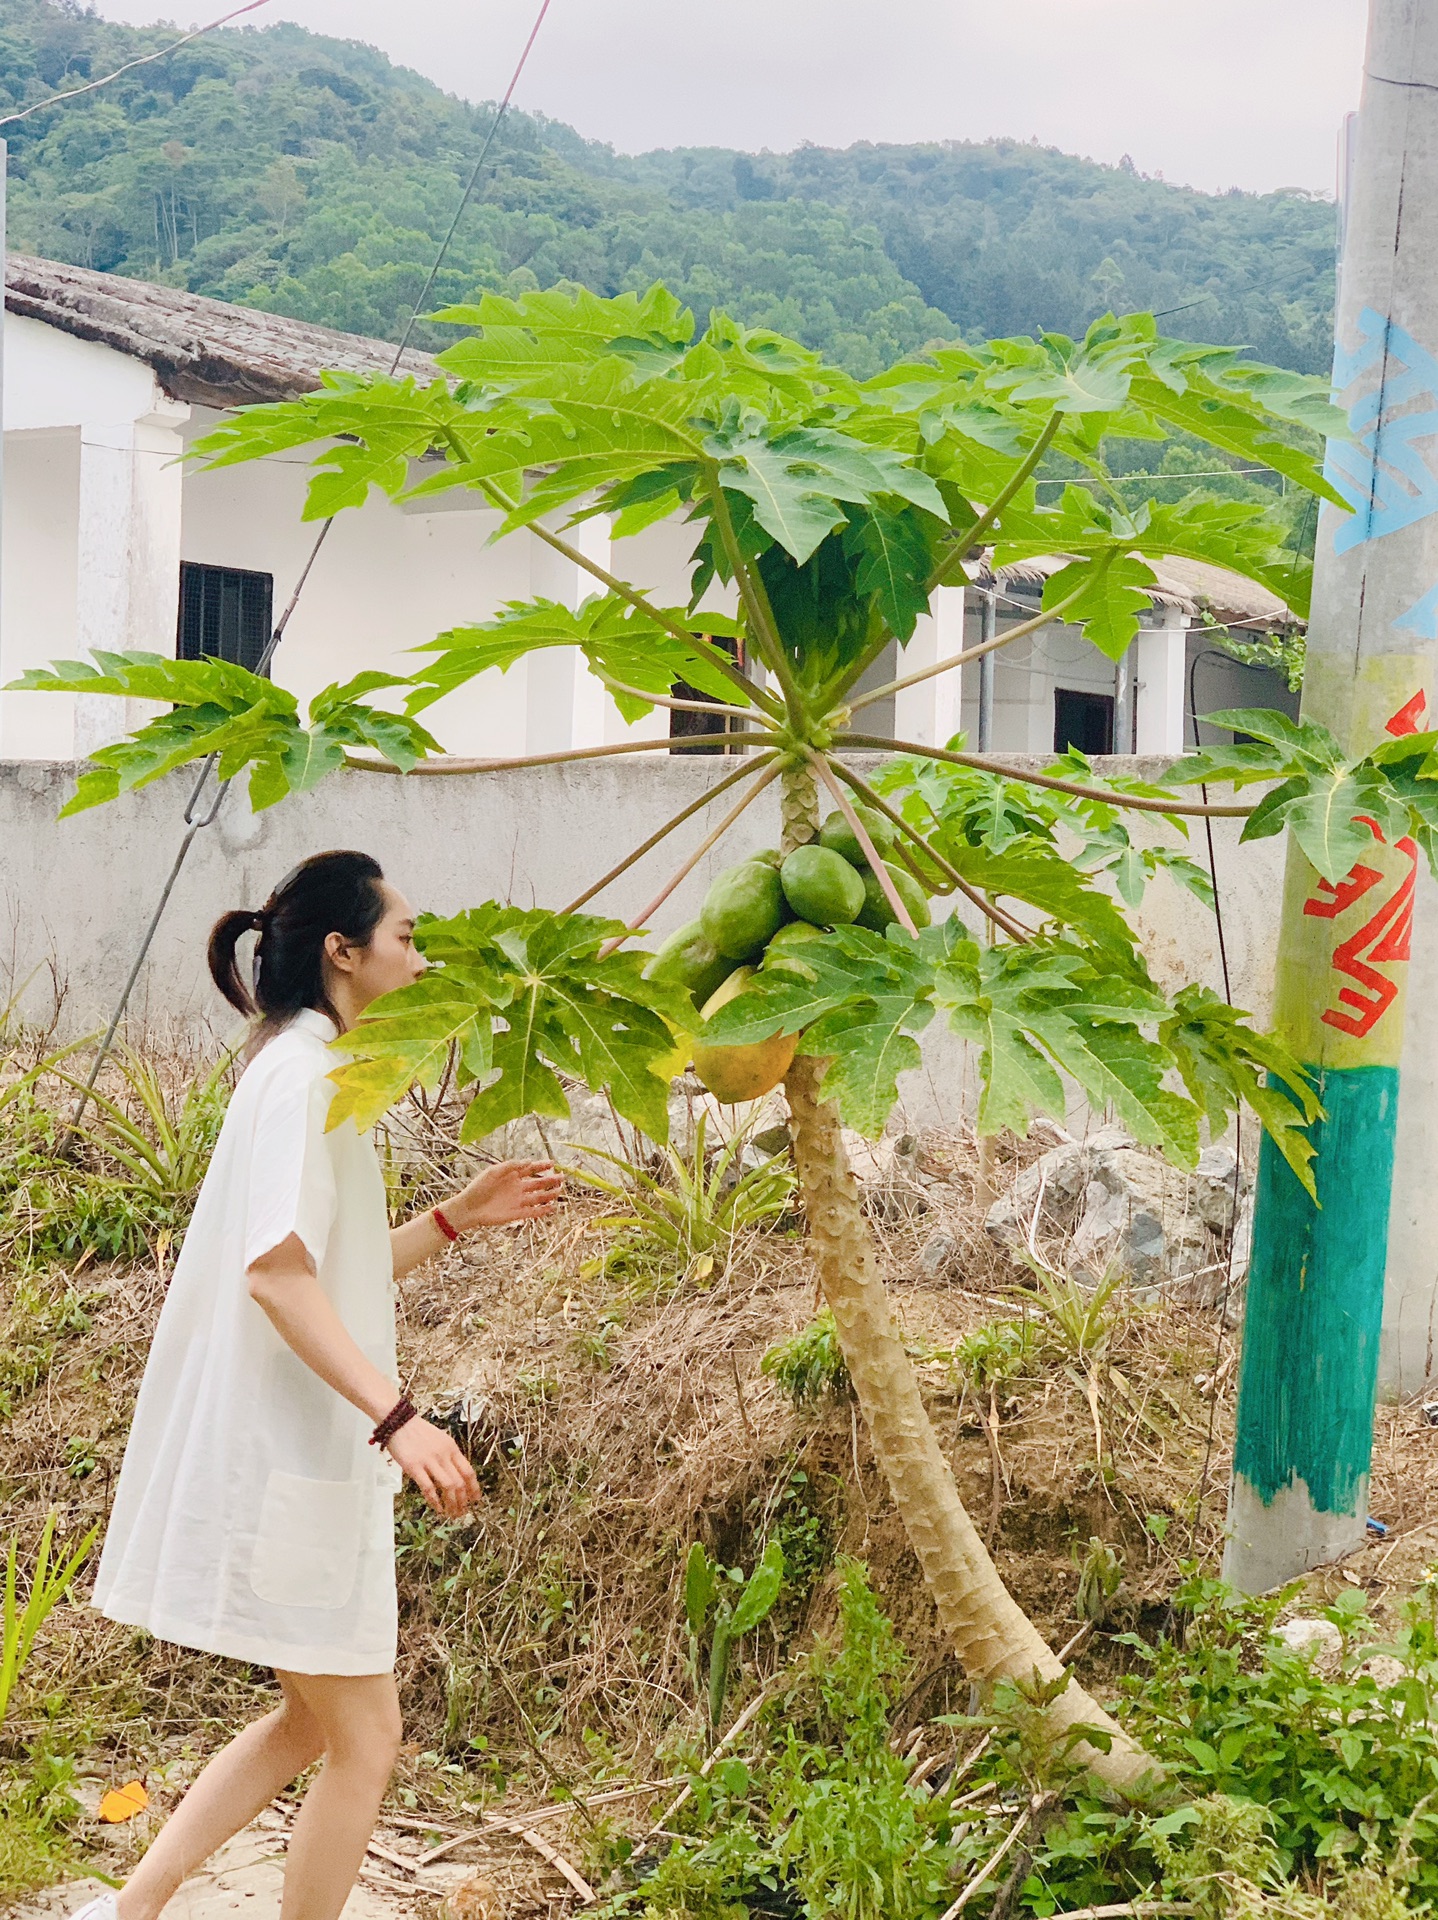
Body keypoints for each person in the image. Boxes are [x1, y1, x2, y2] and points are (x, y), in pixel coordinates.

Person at [72, 850, 563, 1920]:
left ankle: (127, 1911)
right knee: (365, 1738)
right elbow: (276, 1277)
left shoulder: (303, 1064)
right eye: (405, 939)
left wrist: (452, 1219)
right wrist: (401, 1419)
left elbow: (323, 1269)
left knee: (310, 1725)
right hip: (294, 1456)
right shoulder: (304, 1077)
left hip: (297, 1457)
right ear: (343, 953)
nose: (421, 959)